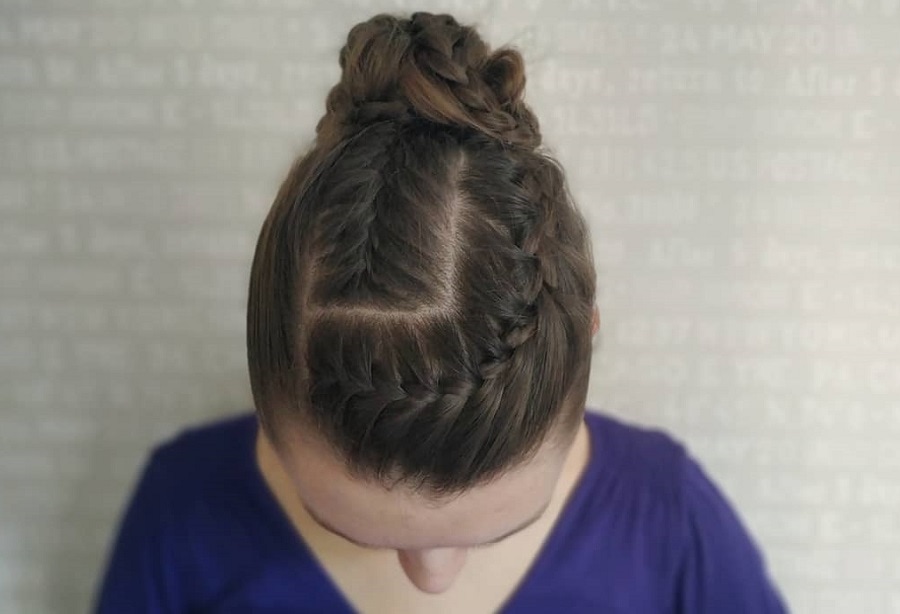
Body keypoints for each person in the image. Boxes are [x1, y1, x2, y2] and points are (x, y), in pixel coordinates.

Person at [93, 11, 789, 614]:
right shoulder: (179, 516)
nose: (434, 580)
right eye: (355, 529)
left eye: (502, 528)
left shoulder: (673, 524)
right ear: (260, 383)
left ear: (588, 346)